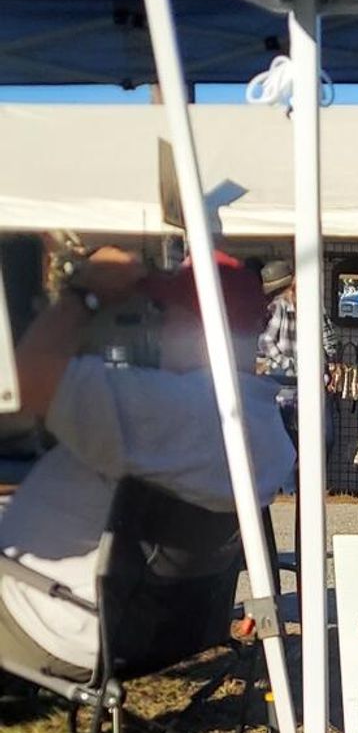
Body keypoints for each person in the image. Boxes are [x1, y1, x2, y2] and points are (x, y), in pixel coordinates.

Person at [0, 247, 295, 675]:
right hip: (162, 628)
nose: (152, 325)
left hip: (54, 617)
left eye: (162, 313)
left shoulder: (164, 407)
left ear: (195, 328)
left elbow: (24, 378)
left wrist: (84, 294)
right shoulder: (265, 425)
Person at [257, 256, 337, 459]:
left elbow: (265, 342)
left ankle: (295, 485)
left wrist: (286, 363)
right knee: (313, 438)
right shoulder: (286, 307)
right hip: (297, 383)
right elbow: (266, 342)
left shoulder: (286, 306)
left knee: (304, 439)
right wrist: (294, 364)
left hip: (296, 383)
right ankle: (298, 484)